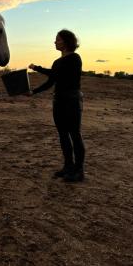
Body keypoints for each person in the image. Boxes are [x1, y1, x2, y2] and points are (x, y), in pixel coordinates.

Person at [27, 30, 86, 182]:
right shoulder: (57, 62)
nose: (55, 42)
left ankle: (79, 171)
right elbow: (51, 82)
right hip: (58, 101)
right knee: (63, 135)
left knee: (74, 134)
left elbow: (57, 76)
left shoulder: (74, 59)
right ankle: (68, 166)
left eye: (57, 40)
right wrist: (34, 92)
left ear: (66, 41)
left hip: (72, 101)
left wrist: (37, 68)